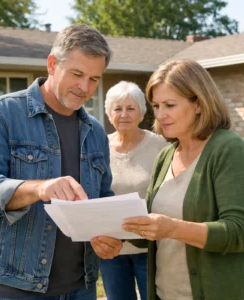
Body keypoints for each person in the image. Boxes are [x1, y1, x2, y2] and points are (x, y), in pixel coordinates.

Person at [0, 24, 123, 300]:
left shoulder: (96, 132)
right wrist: (39, 189)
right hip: (14, 288)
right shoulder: (1, 113)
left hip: (82, 287)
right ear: (52, 64)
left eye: (93, 79)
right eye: (77, 74)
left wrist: (112, 236)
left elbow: (103, 198)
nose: (84, 87)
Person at [122, 59, 244, 300]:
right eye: (156, 105)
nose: (160, 115)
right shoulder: (166, 155)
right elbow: (156, 228)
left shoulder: (228, 149)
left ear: (199, 104)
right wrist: (116, 238)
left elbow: (239, 232)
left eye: (170, 105)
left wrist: (172, 228)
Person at [99, 81, 167, 300]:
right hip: (111, 247)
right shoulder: (99, 147)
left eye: (131, 108)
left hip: (149, 247)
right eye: (117, 109)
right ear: (109, 114)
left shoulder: (160, 145)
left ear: (141, 112)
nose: (124, 114)